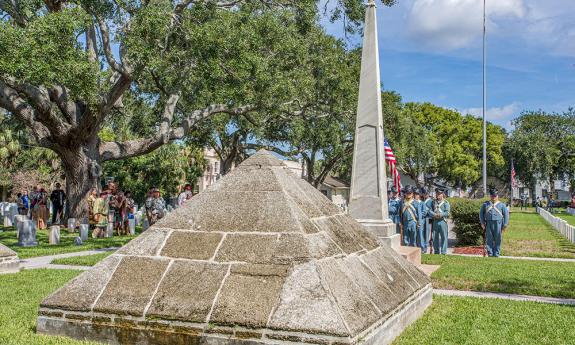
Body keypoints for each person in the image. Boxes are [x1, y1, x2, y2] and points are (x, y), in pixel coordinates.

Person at [479, 188, 509, 257]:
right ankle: (490, 253)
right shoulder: (485, 204)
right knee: (489, 238)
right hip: (488, 223)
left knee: (498, 238)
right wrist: (482, 223)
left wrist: (505, 224)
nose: (494, 197)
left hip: (498, 223)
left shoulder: (502, 205)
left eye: (495, 196)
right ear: (490, 196)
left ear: (497, 196)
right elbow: (481, 213)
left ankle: (496, 253)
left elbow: (506, 215)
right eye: (492, 196)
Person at [429, 188, 450, 255]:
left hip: (442, 221)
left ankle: (444, 252)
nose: (438, 195)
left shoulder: (446, 203)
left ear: (442, 194)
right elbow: (429, 210)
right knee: (435, 237)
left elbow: (447, 212)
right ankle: (436, 252)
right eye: (437, 193)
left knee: (444, 237)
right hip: (435, 221)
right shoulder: (433, 202)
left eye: (439, 193)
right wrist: (434, 214)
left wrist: (441, 214)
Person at [419, 187, 433, 253]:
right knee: (422, 233)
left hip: (428, 219)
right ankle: (422, 246)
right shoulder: (422, 201)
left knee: (426, 234)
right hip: (422, 219)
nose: (425, 195)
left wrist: (427, 210)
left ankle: (425, 247)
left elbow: (432, 211)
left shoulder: (431, 201)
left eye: (426, 193)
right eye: (424, 193)